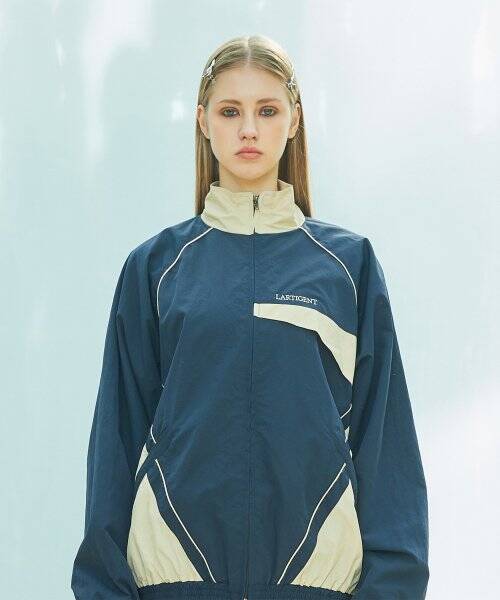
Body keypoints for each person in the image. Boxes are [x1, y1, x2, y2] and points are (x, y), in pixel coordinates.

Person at [71, 34, 429, 600]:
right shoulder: (156, 269)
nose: (248, 130)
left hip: (314, 584)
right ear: (202, 121)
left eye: (267, 110)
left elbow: (387, 448)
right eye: (229, 111)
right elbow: (114, 444)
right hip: (176, 583)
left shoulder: (347, 267)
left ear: (294, 121)